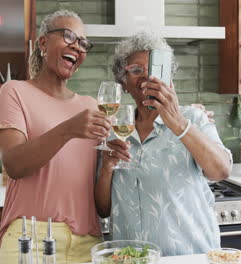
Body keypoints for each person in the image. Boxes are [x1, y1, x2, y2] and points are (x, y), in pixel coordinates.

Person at [94, 32, 233, 256]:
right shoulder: (113, 131)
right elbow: (104, 210)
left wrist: (177, 122)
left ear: (169, 80)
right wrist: (106, 170)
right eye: (136, 70)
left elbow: (221, 170)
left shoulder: (193, 119)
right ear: (124, 83)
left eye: (155, 70)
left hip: (189, 257)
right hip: (133, 259)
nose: (147, 77)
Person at [0, 10, 111, 263]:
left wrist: (110, 163)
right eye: (68, 37)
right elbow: (13, 164)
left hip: (88, 242)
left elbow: (102, 201)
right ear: (43, 43)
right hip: (31, 238)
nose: (77, 47)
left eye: (83, 43)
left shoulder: (90, 106)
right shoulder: (15, 92)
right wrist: (68, 129)